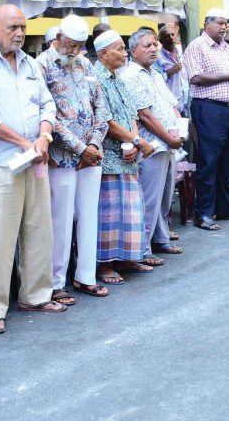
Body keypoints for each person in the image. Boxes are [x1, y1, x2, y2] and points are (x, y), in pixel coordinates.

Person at [0, 5, 66, 336]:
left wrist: (44, 137)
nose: (19, 33)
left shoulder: (30, 64)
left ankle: (35, 296)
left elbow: (48, 104)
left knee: (39, 230)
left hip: (33, 158)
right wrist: (26, 142)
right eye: (12, 28)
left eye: (22, 27)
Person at [36, 15, 109, 302]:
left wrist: (94, 143)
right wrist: (81, 148)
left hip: (91, 155)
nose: (76, 51)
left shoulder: (86, 63)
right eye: (71, 45)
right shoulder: (41, 65)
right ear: (58, 38)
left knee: (90, 216)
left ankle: (85, 277)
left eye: (81, 46)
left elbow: (101, 106)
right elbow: (48, 114)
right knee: (62, 220)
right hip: (62, 156)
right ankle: (56, 283)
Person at [92, 29, 154, 283]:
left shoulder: (118, 78)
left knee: (129, 210)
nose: (124, 52)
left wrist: (135, 141)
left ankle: (127, 258)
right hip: (107, 157)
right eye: (118, 48)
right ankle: (105, 265)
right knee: (108, 213)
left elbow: (131, 115)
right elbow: (105, 121)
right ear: (104, 53)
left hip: (127, 155)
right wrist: (136, 141)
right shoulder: (95, 78)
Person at [121, 28, 184, 265]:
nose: (153, 49)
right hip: (152, 145)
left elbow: (171, 105)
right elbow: (144, 115)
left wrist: (179, 132)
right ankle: (143, 249)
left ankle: (161, 239)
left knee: (165, 196)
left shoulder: (155, 73)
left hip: (169, 144)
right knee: (149, 198)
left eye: (155, 45)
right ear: (133, 50)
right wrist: (169, 139)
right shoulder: (131, 75)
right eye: (147, 45)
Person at [183, 8, 229, 231]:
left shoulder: (227, 48)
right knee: (208, 162)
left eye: (225, 23)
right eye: (219, 23)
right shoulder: (196, 47)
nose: (223, 27)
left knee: (227, 161)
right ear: (206, 24)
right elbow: (196, 77)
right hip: (209, 109)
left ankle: (224, 207)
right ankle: (204, 213)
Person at [158, 24, 189, 115]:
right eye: (167, 36)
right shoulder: (158, 57)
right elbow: (157, 80)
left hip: (186, 102)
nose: (171, 38)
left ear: (177, 36)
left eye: (172, 35)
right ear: (161, 41)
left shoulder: (182, 52)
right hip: (172, 105)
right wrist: (171, 71)